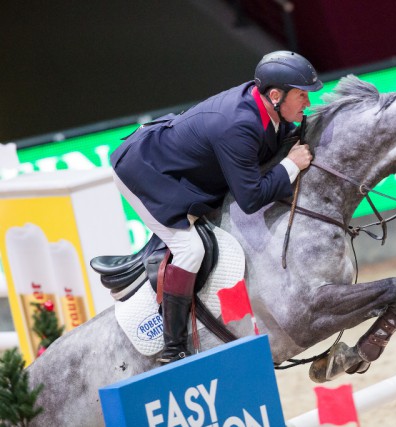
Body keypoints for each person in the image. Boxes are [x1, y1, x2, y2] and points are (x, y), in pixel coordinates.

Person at [109, 50, 323, 364]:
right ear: (275, 95)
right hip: (144, 171)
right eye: (302, 95)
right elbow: (250, 199)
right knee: (190, 249)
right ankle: (174, 346)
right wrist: (291, 166)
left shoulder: (267, 109)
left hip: (178, 164)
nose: (307, 103)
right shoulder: (238, 125)